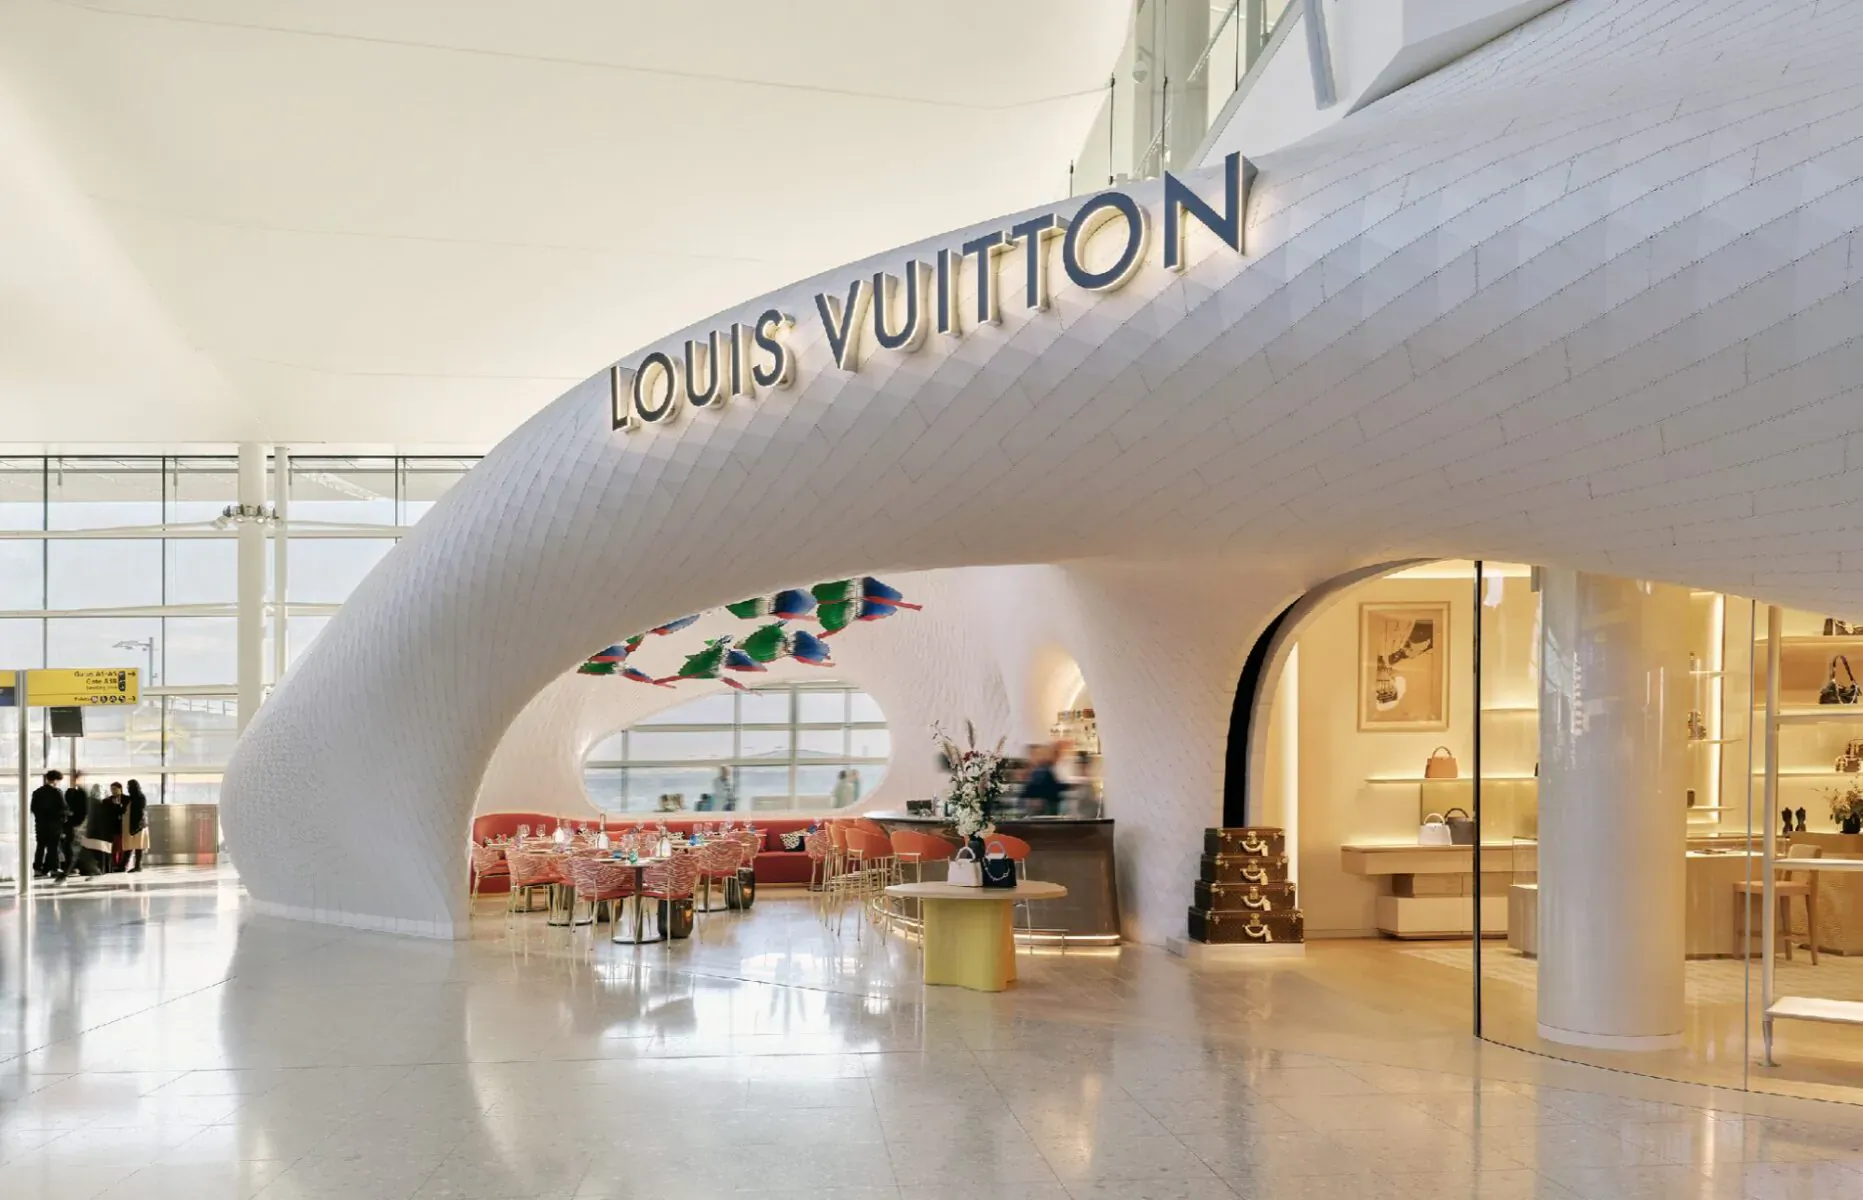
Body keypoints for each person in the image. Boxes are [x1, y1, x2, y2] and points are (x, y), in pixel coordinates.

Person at [78, 782, 124, 877]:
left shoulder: (88, 802)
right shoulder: (106, 803)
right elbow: (114, 816)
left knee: (90, 851)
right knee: (102, 852)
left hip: (90, 832)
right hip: (103, 833)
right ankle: (103, 868)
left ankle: (88, 869)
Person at [30, 770, 64, 877]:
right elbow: (63, 808)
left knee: (40, 847)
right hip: (54, 825)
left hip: (40, 825)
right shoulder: (57, 792)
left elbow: (33, 808)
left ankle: (37, 869)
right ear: (56, 780)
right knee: (53, 847)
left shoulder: (37, 792)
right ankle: (54, 868)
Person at [1019, 744, 1066, 817]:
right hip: (1044, 805)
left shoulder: (1044, 769)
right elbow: (1048, 787)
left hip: (1046, 804)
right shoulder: (1042, 770)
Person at [60, 771, 89, 881]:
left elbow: (83, 811)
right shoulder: (70, 792)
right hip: (70, 824)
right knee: (69, 847)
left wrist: (78, 824)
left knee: (71, 847)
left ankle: (67, 871)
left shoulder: (81, 793)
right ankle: (70, 869)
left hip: (75, 824)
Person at [121, 779, 149, 873]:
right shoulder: (132, 798)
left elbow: (140, 813)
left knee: (138, 846)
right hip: (132, 825)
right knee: (131, 845)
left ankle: (137, 866)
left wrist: (136, 827)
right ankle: (125, 865)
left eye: (129, 786)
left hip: (138, 825)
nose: (128, 788)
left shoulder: (140, 797)